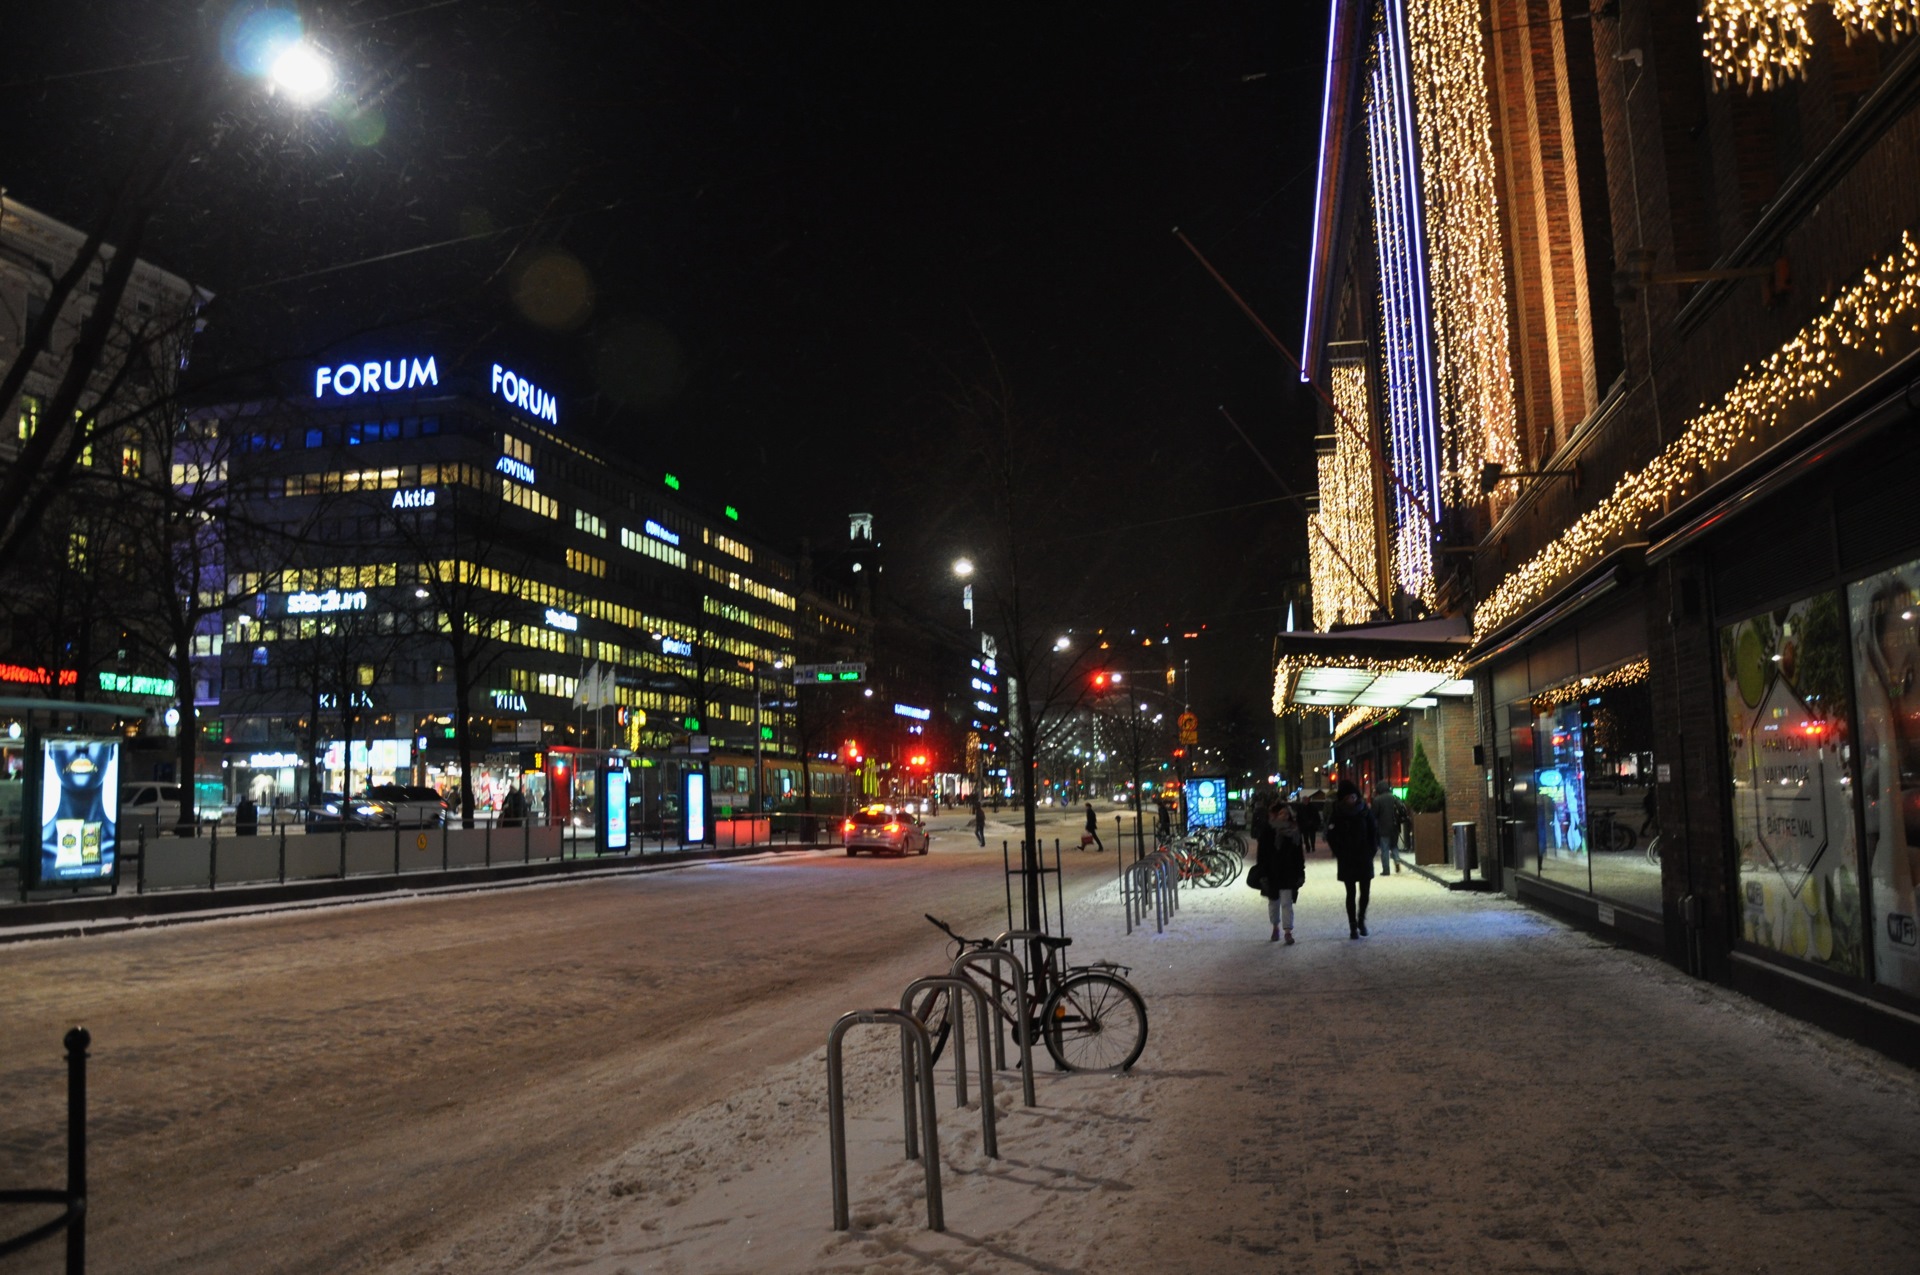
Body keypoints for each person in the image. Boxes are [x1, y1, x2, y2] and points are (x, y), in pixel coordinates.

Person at [1327, 779, 1379, 939]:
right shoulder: (1337, 815)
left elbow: (1374, 832)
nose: (1353, 799)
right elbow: (1331, 836)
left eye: (1354, 796)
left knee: (1365, 893)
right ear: (1343, 799)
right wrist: (1339, 852)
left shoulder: (1365, 811)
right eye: (1349, 797)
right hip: (1347, 859)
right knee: (1350, 893)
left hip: (1364, 857)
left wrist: (1371, 851)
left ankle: (1361, 920)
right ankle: (1352, 926)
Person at [1256, 798, 1308, 943]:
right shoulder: (1268, 831)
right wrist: (1263, 872)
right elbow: (1262, 854)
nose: (1284, 816)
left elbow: (1299, 855)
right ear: (1276, 815)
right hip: (1272, 871)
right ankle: (1275, 927)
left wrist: (1300, 872)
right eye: (1281, 813)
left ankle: (1288, 931)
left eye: (1286, 814)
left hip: (1288, 871)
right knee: (1273, 902)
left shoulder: (1294, 832)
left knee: (1287, 902)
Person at [1371, 782, 1409, 875]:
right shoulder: (1394, 797)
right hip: (1395, 827)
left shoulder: (1377, 800)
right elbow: (1401, 810)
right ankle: (1397, 861)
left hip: (1383, 828)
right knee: (1394, 846)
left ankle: (1386, 870)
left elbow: (1373, 815)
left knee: (1385, 849)